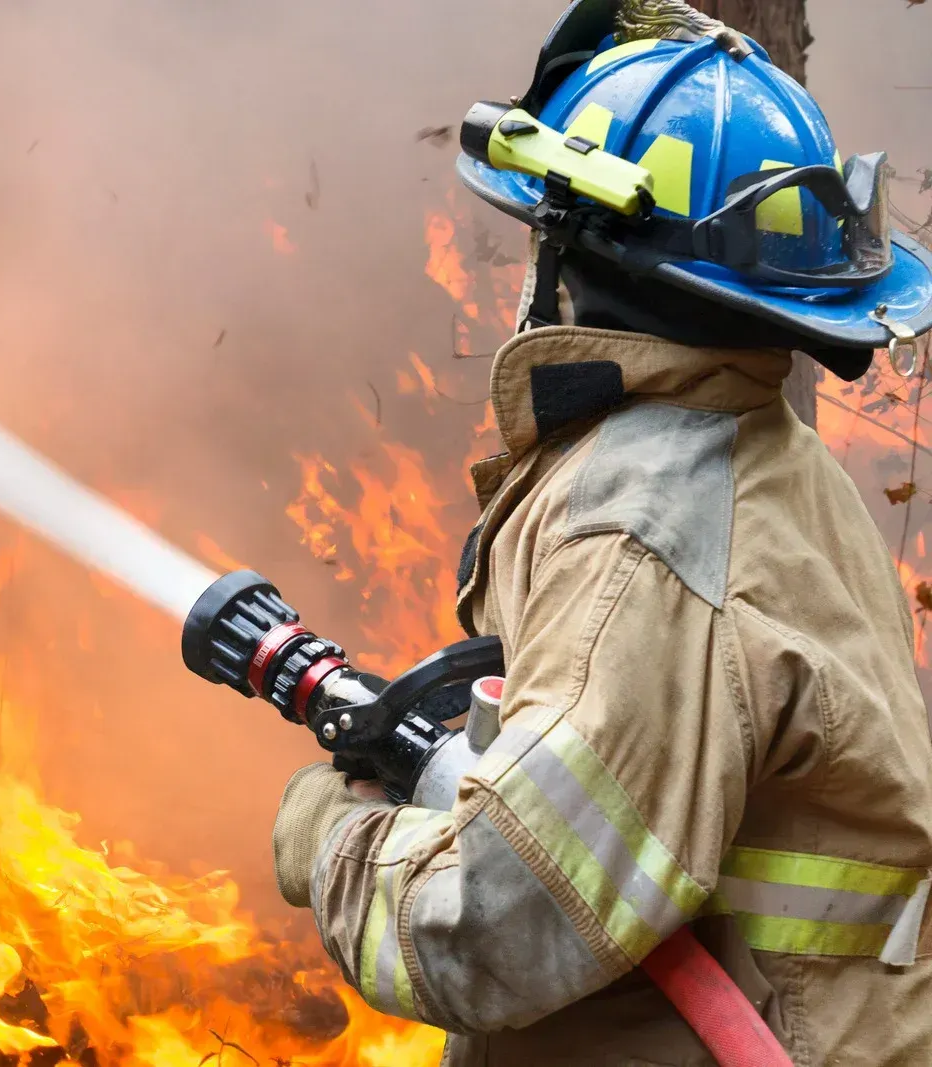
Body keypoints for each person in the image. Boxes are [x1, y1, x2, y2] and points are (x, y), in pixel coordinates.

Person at [269, 1, 932, 1063]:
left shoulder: (645, 532)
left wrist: (325, 831)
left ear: (574, 255)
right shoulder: (755, 452)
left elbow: (493, 926)